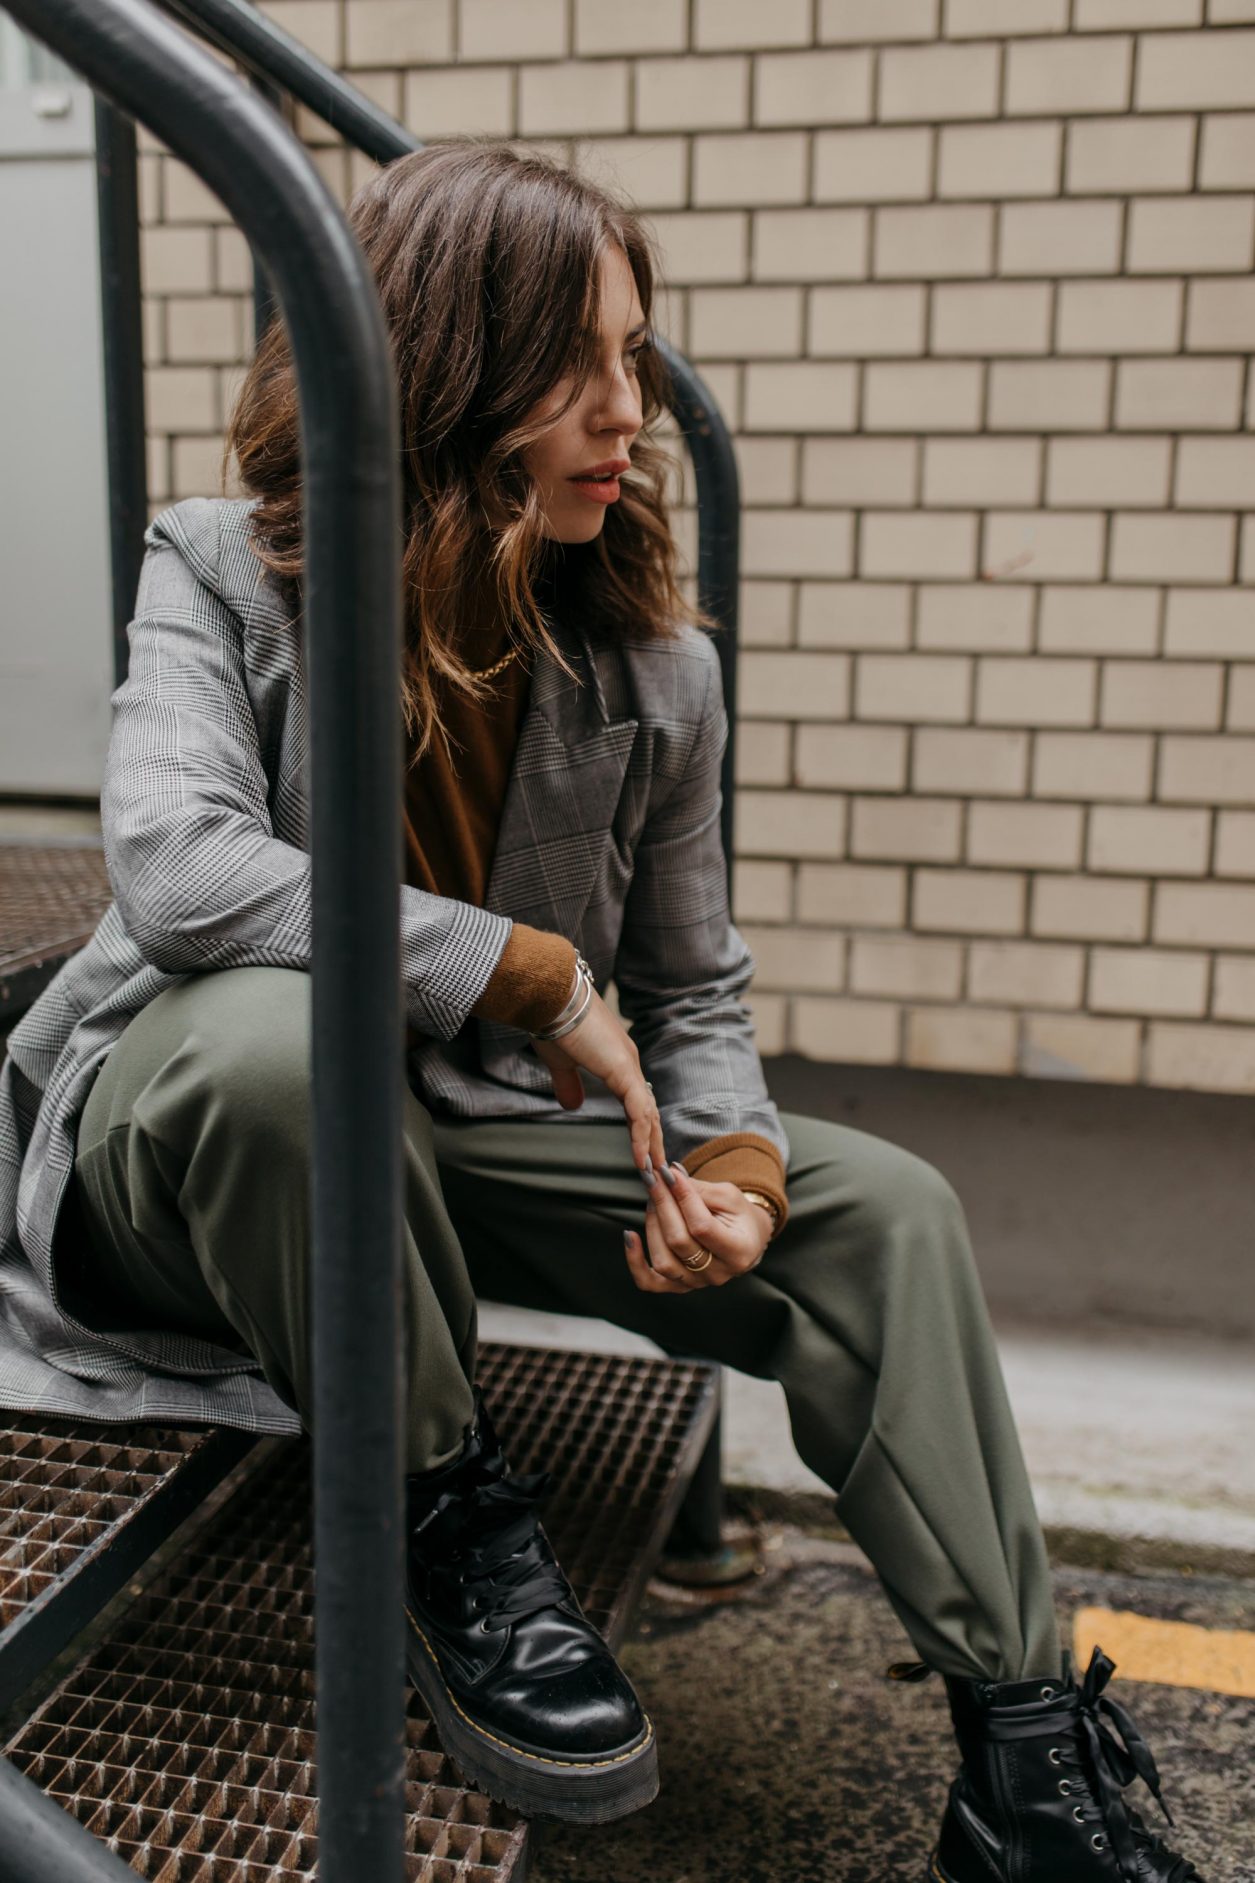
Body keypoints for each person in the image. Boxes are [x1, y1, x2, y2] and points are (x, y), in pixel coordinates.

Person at [0, 138, 1203, 1874]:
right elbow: (178, 872)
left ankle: (1026, 1769)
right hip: (180, 1156)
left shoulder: (655, 668)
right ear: (450, 359)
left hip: (448, 1150)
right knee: (281, 1049)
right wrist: (527, 969)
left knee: (884, 1214)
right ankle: (448, 1520)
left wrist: (738, 1170)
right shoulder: (221, 574)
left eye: (636, 358)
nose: (630, 410)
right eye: (586, 363)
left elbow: (700, 982)